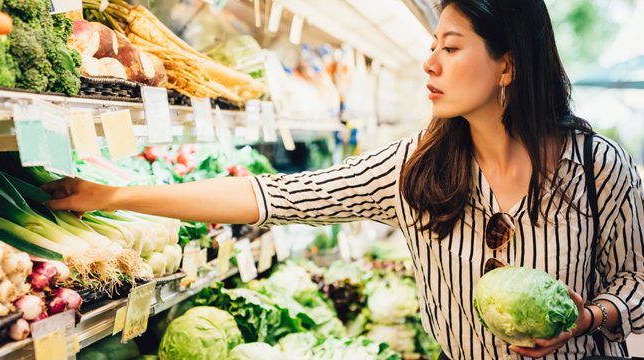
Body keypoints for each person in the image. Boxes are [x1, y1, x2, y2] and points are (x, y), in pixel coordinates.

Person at [42, 0, 643, 358]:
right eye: (432, 44)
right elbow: (270, 196)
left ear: (508, 65)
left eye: (452, 48)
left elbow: (638, 283)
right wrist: (112, 195)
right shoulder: (416, 172)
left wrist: (588, 317)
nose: (429, 62)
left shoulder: (596, 169)